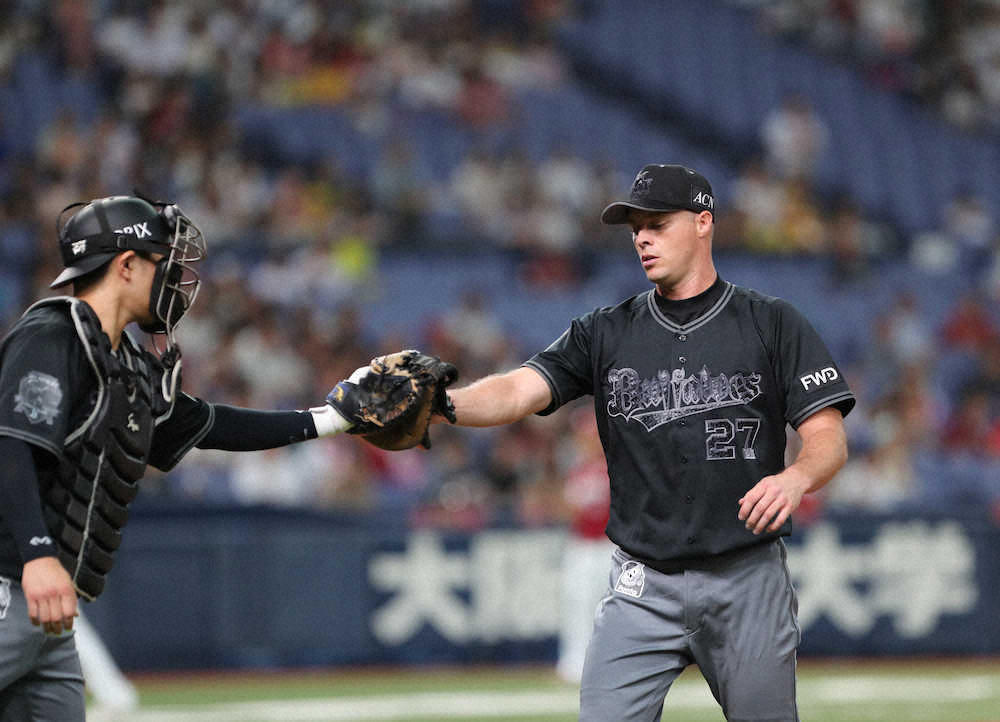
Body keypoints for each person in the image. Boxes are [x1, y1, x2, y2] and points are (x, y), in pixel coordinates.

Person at [436, 164, 855, 720]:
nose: (641, 237)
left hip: (746, 577)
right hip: (642, 584)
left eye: (657, 223)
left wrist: (797, 476)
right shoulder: (605, 331)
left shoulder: (771, 323)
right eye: (636, 226)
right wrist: (442, 406)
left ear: (703, 222)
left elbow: (827, 435)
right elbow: (516, 391)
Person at [0, 195, 391, 721]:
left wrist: (334, 418)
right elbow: (10, 448)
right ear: (127, 264)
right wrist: (40, 555)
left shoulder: (126, 365)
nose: (175, 279)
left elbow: (211, 425)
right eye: (164, 261)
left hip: (49, 612)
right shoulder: (52, 336)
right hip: (12, 585)